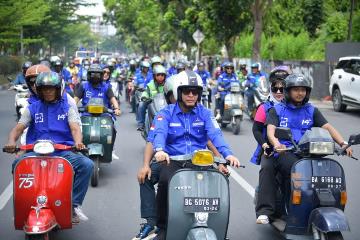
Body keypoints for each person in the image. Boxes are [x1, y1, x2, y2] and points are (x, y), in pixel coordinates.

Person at [151, 70, 241, 239]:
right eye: (186, 91)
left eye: (195, 92)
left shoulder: (205, 113)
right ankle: (162, 226)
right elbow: (160, 133)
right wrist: (160, 150)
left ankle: (218, 227)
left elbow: (215, 135)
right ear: (179, 93)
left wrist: (227, 154)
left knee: (221, 184)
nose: (191, 95)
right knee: (164, 181)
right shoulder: (166, 113)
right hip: (174, 161)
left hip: (201, 160)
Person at [256, 73, 353, 225]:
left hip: (306, 152)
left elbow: (327, 127)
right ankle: (267, 211)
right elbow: (271, 130)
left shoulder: (311, 110)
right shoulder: (277, 109)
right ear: (288, 91)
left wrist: (342, 143)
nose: (300, 93)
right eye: (296, 90)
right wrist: (276, 144)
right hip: (283, 151)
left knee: (320, 173)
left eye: (303, 90)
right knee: (291, 170)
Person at [4, 72, 94, 224]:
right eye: (44, 89)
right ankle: (23, 205)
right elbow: (19, 128)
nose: (48, 91)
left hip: (63, 151)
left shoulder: (67, 108)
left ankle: (73, 205)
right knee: (17, 164)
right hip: (35, 151)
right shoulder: (32, 108)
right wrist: (11, 141)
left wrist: (78, 142)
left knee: (87, 165)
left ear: (58, 89)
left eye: (51, 88)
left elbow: (75, 128)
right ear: (39, 90)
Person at [74, 64, 121, 159]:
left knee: (113, 129)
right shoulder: (83, 86)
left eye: (97, 74)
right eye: (93, 74)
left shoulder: (106, 87)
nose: (95, 77)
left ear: (101, 75)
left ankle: (110, 149)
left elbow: (113, 99)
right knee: (77, 128)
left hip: (104, 114)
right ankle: (76, 148)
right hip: (86, 114)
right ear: (89, 75)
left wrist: (116, 108)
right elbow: (75, 100)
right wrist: (72, 108)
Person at [137, 65, 166, 131]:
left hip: (165, 104)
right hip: (152, 103)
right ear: (154, 76)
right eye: (158, 75)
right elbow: (146, 92)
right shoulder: (150, 84)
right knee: (141, 104)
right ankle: (141, 124)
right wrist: (144, 97)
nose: (160, 77)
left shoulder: (167, 84)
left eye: (162, 75)